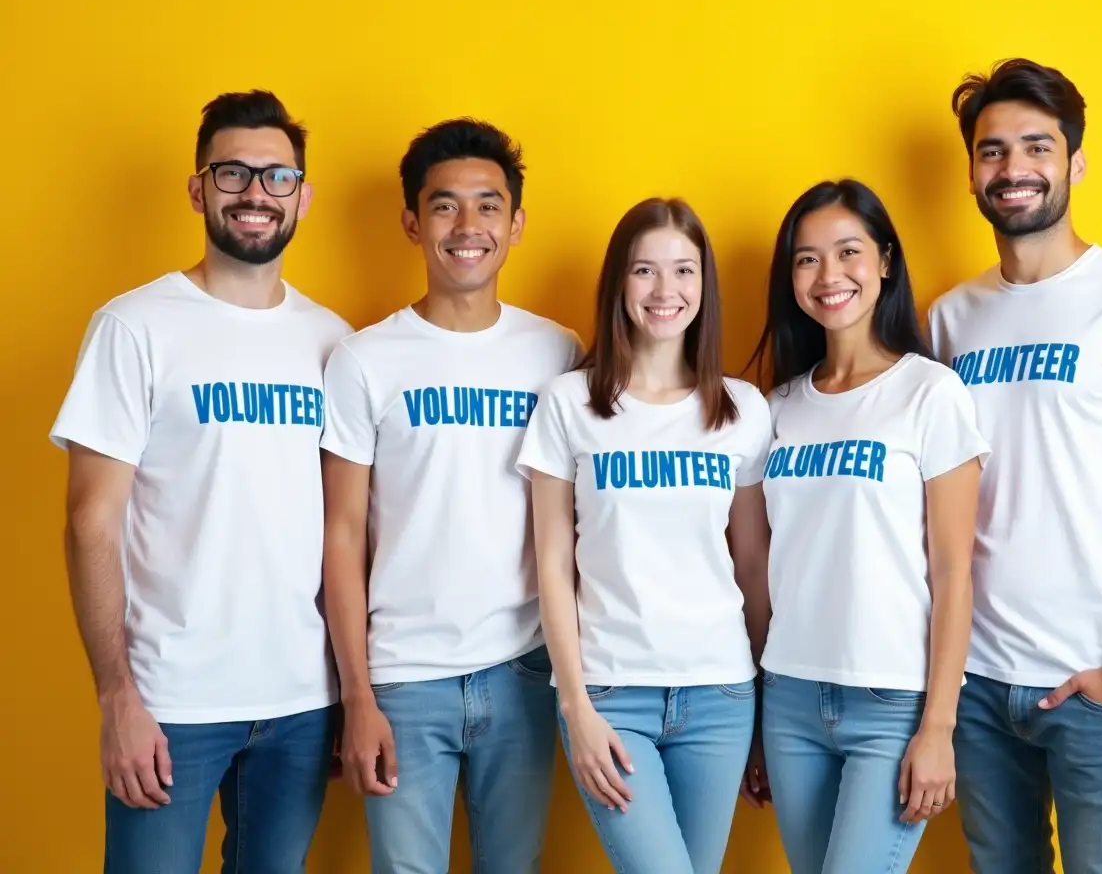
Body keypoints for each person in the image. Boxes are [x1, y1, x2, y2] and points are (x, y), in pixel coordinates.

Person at [49, 90, 351, 873]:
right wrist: (117, 696)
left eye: (277, 177)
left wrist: (352, 693)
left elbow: (350, 527)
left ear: (302, 196)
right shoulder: (136, 326)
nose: (256, 193)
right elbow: (90, 521)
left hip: (301, 702)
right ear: (197, 188)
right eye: (233, 173)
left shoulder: (333, 342)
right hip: (170, 704)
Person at [928, 58, 1102, 874]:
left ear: (1074, 163)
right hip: (975, 684)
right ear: (972, 171)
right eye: (992, 151)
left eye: (1036, 147)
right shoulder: (951, 318)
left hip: (1094, 686)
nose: (1013, 168)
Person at [320, 118, 582, 873]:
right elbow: (341, 534)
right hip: (404, 676)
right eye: (444, 206)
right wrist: (357, 695)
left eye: (487, 205)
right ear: (412, 222)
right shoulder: (364, 361)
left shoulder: (558, 352)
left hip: (524, 668)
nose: (468, 226)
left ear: (517, 223)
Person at [515, 197, 772, 874]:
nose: (666, 291)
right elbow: (551, 562)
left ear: (703, 285)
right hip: (609, 693)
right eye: (644, 272)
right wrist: (575, 706)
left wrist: (767, 702)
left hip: (721, 694)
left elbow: (751, 563)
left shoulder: (743, 410)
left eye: (684, 271)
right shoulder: (569, 403)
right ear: (618, 285)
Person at [740, 179, 988, 873]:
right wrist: (759, 715)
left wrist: (937, 726)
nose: (828, 275)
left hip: (891, 702)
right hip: (787, 696)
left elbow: (953, 573)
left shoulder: (930, 393)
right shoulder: (776, 407)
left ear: (884, 261)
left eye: (848, 251)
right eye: (806, 259)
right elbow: (758, 572)